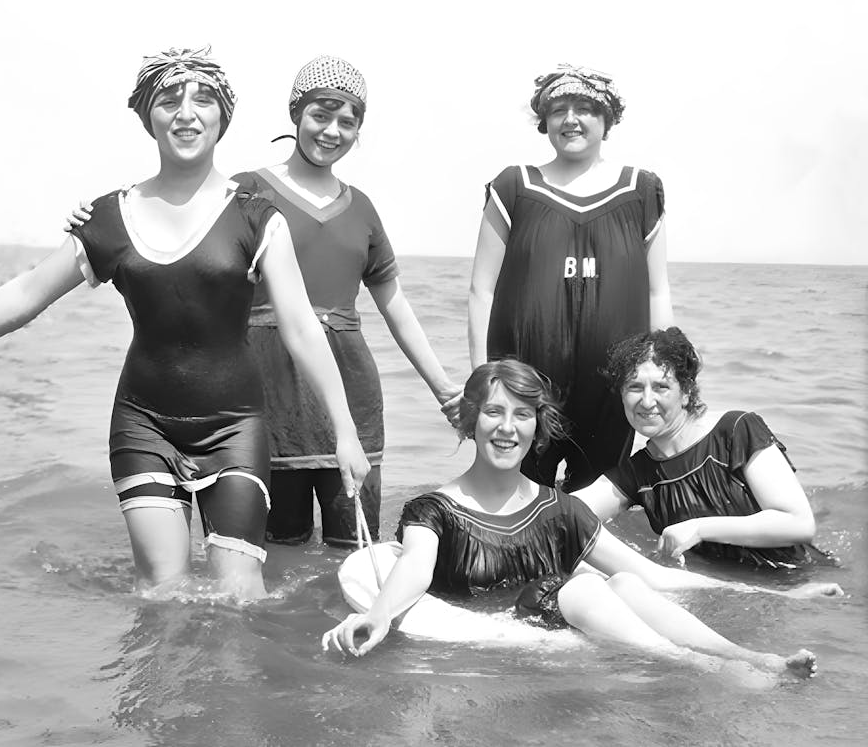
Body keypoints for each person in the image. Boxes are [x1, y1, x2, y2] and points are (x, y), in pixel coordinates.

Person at [0, 47, 369, 600]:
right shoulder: (110, 217)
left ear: (223, 118)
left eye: (203, 99)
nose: (186, 113)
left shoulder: (256, 217)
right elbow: (29, 292)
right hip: (144, 423)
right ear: (146, 116)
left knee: (240, 599)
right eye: (168, 100)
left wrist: (344, 432)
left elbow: (301, 329)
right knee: (161, 594)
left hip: (235, 428)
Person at [69, 55, 461, 548]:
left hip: (351, 397)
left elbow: (396, 306)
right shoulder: (249, 192)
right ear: (296, 114)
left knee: (355, 550)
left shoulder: (361, 207)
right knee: (277, 552)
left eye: (348, 120)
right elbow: (173, 211)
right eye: (321, 114)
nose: (331, 130)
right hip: (269, 400)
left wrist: (445, 389)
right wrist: (90, 216)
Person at [322, 360, 828, 680]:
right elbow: (414, 566)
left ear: (536, 427)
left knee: (627, 580)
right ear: (470, 420)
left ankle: (749, 657)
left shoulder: (559, 510)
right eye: (494, 413)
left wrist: (777, 595)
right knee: (584, 589)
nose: (507, 428)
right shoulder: (433, 509)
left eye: (522, 415)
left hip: (572, 625)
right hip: (512, 634)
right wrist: (380, 614)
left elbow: (656, 577)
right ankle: (705, 667)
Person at [467, 64, 673, 492]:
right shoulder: (515, 187)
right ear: (544, 122)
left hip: (610, 391)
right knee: (511, 500)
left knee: (597, 506)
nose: (571, 119)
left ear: (607, 120)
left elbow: (658, 289)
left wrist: (662, 372)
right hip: (524, 389)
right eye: (559, 109)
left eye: (585, 108)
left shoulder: (641, 191)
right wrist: (483, 380)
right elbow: (480, 290)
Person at [573, 327, 833, 568]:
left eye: (662, 387)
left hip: (804, 579)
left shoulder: (736, 431)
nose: (647, 400)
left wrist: (699, 528)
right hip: (734, 589)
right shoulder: (637, 472)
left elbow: (799, 523)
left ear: (686, 392)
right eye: (634, 387)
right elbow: (570, 511)